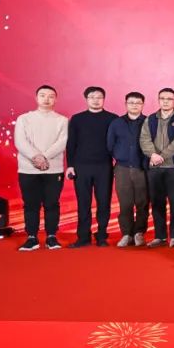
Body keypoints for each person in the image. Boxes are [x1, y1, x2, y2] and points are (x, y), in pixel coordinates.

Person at [14, 85, 68, 251]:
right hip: (28, 169)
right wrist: (35, 157)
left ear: (55, 99)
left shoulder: (62, 120)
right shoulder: (24, 119)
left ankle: (51, 236)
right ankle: (32, 237)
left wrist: (44, 157)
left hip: (53, 169)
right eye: (43, 95)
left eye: (51, 96)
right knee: (31, 204)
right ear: (36, 98)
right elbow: (20, 141)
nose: (46, 99)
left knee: (52, 203)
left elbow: (62, 142)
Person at [66, 86, 117, 248]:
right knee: (83, 203)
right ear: (86, 99)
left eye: (99, 97)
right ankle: (83, 237)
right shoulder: (77, 119)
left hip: (104, 166)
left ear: (104, 99)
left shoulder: (112, 119)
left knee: (104, 202)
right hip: (81, 166)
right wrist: (70, 165)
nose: (96, 100)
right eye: (92, 97)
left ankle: (102, 236)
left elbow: (117, 143)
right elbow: (71, 143)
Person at [139, 87, 174, 248]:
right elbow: (144, 139)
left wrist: (162, 156)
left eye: (169, 99)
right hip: (154, 168)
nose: (165, 101)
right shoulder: (150, 119)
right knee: (157, 202)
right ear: (158, 100)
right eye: (162, 98)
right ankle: (159, 237)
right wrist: (153, 155)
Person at [106, 91, 149, 247]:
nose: (134, 105)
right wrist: (121, 155)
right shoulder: (117, 123)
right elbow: (110, 144)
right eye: (131, 102)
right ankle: (126, 234)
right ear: (125, 104)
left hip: (142, 168)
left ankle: (139, 233)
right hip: (122, 168)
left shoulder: (148, 122)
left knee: (142, 202)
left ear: (143, 105)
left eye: (138, 103)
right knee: (125, 203)